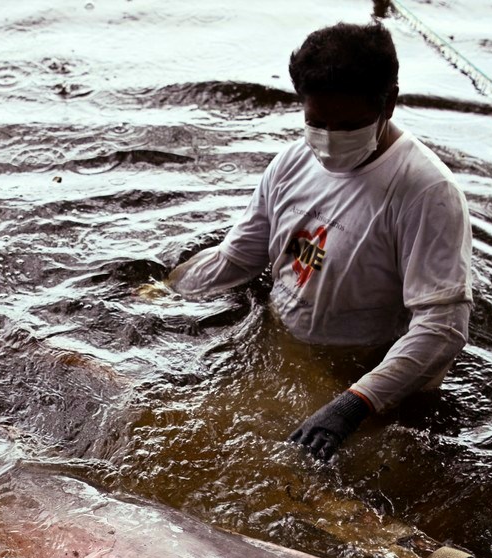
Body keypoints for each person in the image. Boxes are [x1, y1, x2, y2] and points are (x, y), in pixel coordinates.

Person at [164, 21, 472, 461]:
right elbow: (238, 256)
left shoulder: (426, 193)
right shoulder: (291, 163)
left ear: (389, 102)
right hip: (279, 347)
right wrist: (167, 289)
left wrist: (355, 404)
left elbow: (442, 326)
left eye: (348, 125)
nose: (328, 140)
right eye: (317, 122)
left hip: (363, 374)